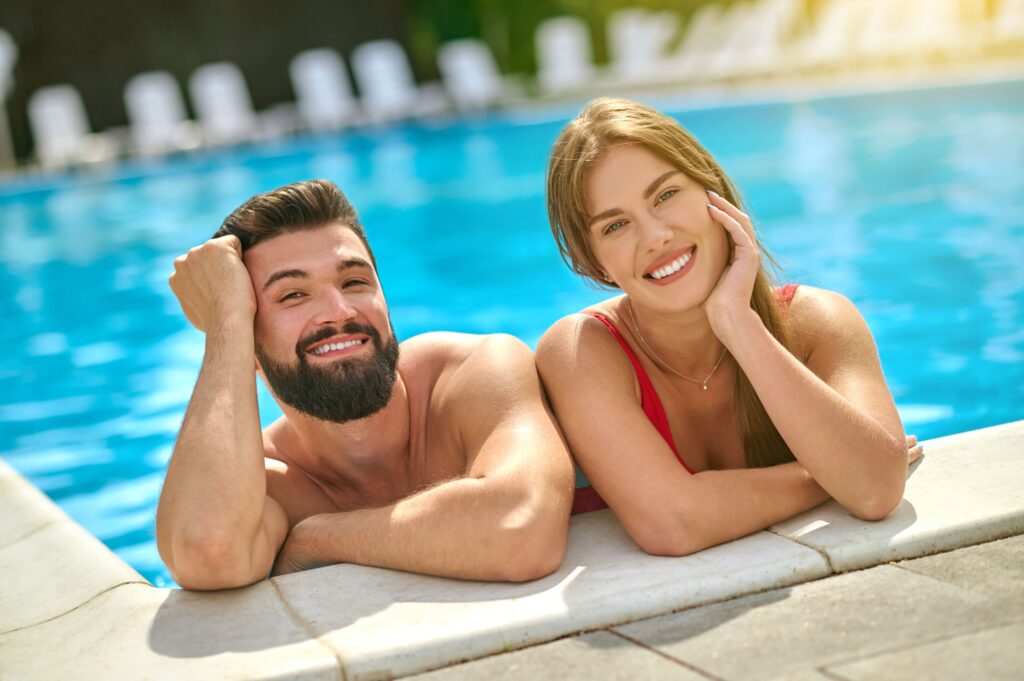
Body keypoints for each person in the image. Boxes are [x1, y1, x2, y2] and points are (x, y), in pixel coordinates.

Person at [537, 98, 922, 556]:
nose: (656, 236)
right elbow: (672, 523)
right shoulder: (581, 350)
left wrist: (740, 325)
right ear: (593, 263)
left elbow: (877, 489)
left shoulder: (817, 322)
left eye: (665, 195)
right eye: (617, 225)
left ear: (711, 191)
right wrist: (822, 473)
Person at [157, 179, 574, 590]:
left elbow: (522, 527)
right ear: (247, 343)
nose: (338, 312)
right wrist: (225, 323)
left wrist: (317, 538)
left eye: (354, 282)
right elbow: (207, 552)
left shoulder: (473, 373)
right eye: (292, 295)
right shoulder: (265, 482)